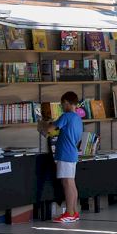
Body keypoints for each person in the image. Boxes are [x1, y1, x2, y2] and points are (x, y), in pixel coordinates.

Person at [38, 90, 82, 223]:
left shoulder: (66, 116)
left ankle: (69, 212)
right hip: (72, 152)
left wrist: (42, 124)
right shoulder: (77, 118)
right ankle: (74, 212)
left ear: (67, 103)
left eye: (62, 104)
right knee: (71, 183)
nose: (62, 107)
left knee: (67, 184)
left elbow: (50, 129)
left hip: (65, 153)